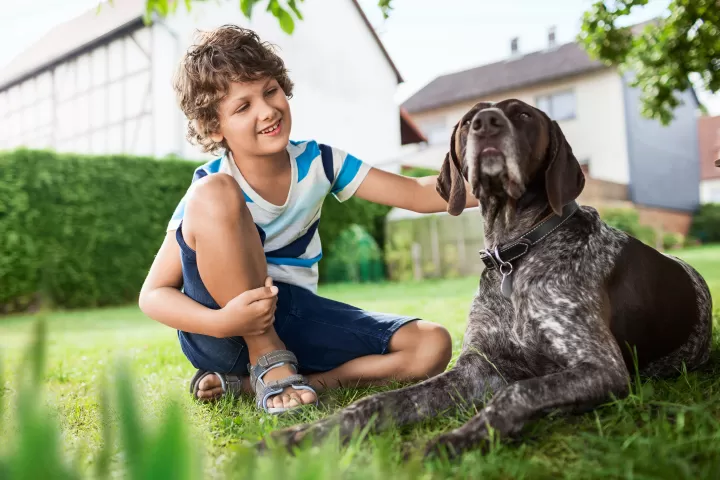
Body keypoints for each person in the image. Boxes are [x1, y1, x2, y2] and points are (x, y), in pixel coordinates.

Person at [139, 24, 477, 414]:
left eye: (270, 90)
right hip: (223, 330)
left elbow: (417, 194)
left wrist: (508, 184)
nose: (267, 110)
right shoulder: (209, 188)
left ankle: (258, 385)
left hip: (298, 320)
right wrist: (225, 322)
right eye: (243, 106)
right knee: (216, 192)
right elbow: (153, 295)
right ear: (213, 127)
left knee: (431, 345)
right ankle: (268, 359)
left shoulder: (321, 162)